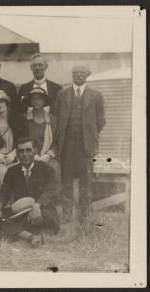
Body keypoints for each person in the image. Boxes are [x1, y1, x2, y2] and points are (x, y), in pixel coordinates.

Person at [55, 65, 106, 223]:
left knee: (86, 182)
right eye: (75, 73)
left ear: (87, 75)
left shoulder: (95, 96)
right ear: (72, 75)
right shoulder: (62, 94)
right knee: (66, 181)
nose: (78, 75)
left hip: (85, 146)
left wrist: (90, 135)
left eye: (81, 73)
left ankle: (84, 217)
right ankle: (66, 215)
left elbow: (101, 121)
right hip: (67, 145)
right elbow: (57, 117)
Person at [0, 137, 60, 248]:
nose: (25, 154)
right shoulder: (12, 171)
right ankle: (30, 236)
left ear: (35, 151)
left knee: (45, 217)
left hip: (42, 212)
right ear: (17, 153)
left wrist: (37, 206)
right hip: (21, 214)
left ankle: (21, 233)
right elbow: (4, 191)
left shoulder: (47, 169)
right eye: (21, 151)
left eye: (28, 150)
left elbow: (51, 191)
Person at [0, 89, 28, 191]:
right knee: (2, 172)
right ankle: (2, 202)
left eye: (1, 101)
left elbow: (25, 139)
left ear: (6, 102)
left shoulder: (18, 119)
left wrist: (15, 153)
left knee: (17, 170)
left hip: (16, 157)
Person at [26, 87, 62, 200]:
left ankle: (53, 199)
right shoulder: (25, 120)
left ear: (44, 101)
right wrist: (33, 155)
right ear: (30, 101)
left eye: (39, 99)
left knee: (55, 167)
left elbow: (58, 141)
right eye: (33, 99)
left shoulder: (52, 120)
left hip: (48, 156)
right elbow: (23, 139)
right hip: (28, 155)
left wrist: (49, 155)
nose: (36, 101)